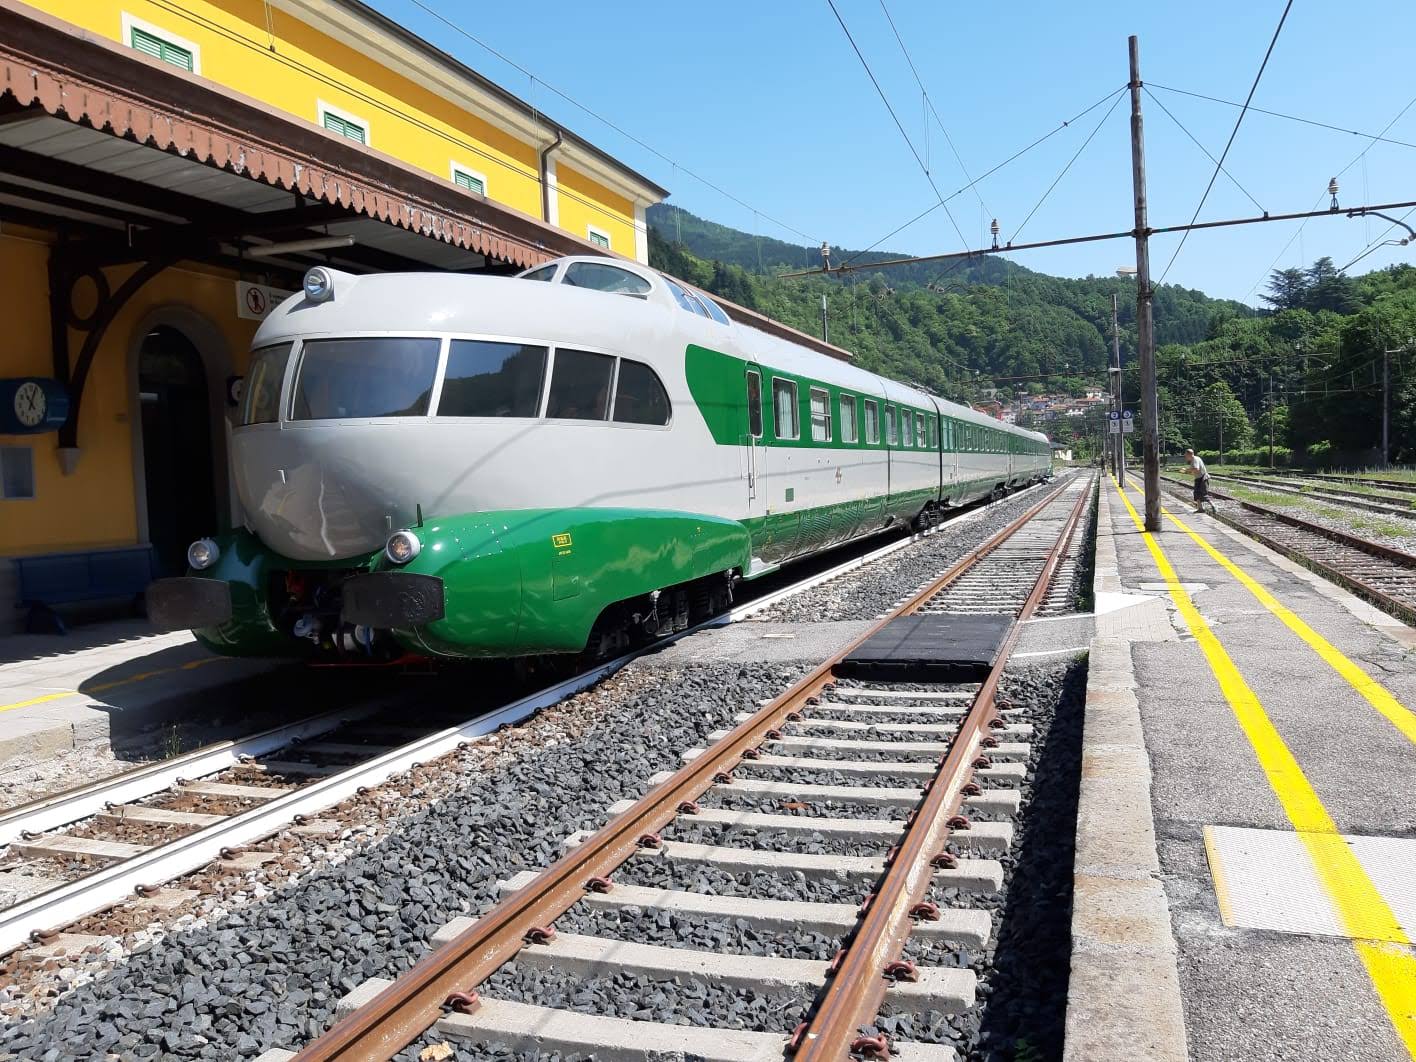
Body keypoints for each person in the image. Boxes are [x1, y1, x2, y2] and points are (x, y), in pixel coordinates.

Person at [1185, 448, 1213, 514]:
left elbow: (1196, 469)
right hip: (1198, 478)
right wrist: (1187, 471)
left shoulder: (1195, 459)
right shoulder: (1193, 460)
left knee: (1203, 494)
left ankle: (1213, 506)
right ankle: (1200, 509)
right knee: (1197, 494)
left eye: (1186, 455)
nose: (1185, 457)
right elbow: (1194, 471)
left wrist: (1187, 470)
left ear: (1189, 454)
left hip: (1202, 478)